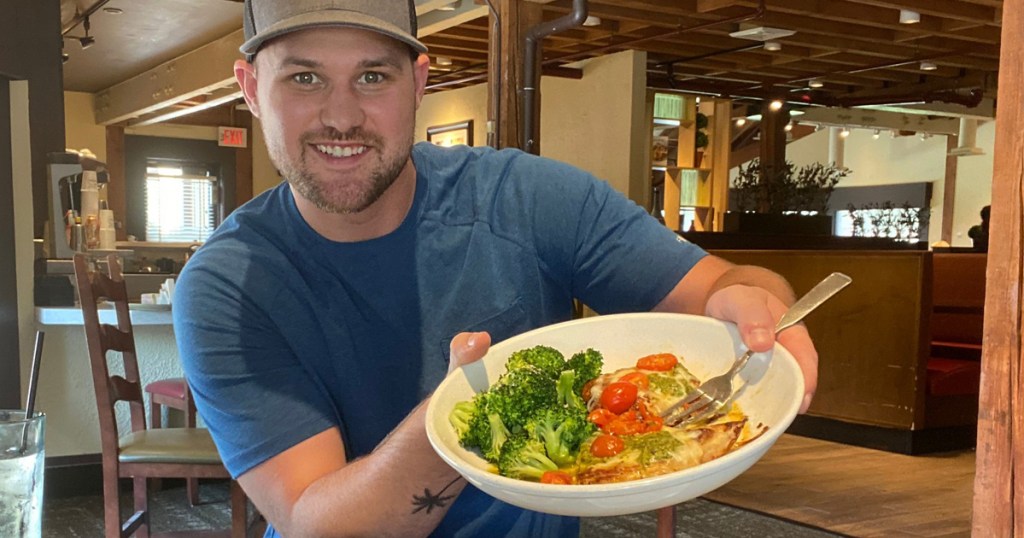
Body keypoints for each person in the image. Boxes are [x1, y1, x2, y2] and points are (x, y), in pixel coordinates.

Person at [173, 0, 819, 536]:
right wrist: (469, 407)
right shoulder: (227, 287)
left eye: (373, 76)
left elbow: (725, 285)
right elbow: (319, 522)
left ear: (420, 82)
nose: (342, 115)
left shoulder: (529, 197)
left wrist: (759, 303)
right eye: (304, 77)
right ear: (252, 88)